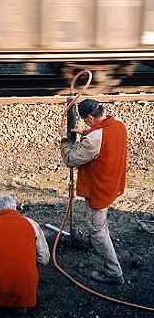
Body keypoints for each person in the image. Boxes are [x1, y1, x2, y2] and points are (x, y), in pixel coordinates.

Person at [60, 98, 127, 285]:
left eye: (86, 121)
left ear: (90, 117)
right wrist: (88, 132)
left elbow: (71, 159)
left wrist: (64, 140)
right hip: (113, 183)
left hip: (99, 189)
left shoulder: (94, 138)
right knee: (99, 225)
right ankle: (103, 248)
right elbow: (104, 138)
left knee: (97, 231)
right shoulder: (119, 124)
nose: (85, 124)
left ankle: (114, 272)